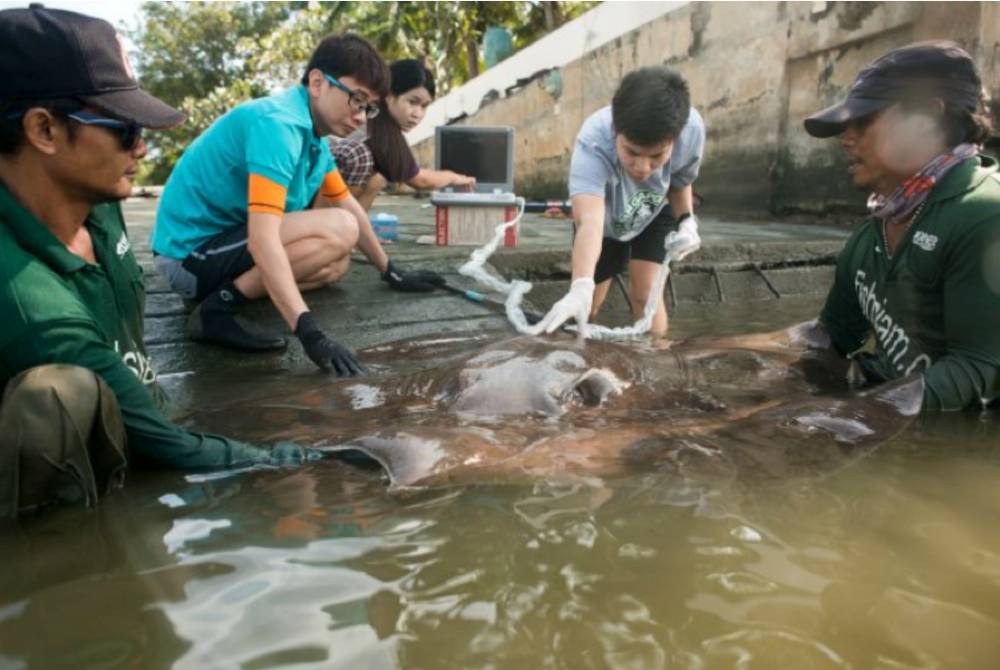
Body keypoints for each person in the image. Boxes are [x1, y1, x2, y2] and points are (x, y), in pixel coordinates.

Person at [0, 6, 310, 518]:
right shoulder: (23, 293)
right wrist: (293, 459)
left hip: (138, 409)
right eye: (124, 128)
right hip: (99, 431)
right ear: (44, 130)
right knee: (54, 398)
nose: (143, 146)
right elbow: (164, 444)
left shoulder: (98, 203)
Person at [152, 38, 446, 375]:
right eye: (357, 99)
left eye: (369, 107)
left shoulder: (315, 138)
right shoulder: (279, 124)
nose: (361, 116)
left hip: (221, 248)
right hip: (188, 256)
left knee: (334, 266)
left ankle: (222, 295)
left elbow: (346, 201)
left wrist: (390, 270)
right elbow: (264, 240)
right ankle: (216, 311)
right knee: (340, 230)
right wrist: (310, 332)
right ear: (318, 83)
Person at [801, 40, 1000, 411]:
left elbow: (978, 370)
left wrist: (839, 415)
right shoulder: (873, 230)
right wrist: (715, 361)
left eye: (863, 121)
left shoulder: (985, 216)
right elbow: (831, 335)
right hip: (893, 409)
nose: (845, 138)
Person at [530, 66, 705, 337]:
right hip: (606, 219)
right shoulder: (593, 142)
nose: (643, 167)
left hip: (655, 209)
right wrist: (580, 286)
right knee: (588, 305)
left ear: (676, 137)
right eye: (632, 152)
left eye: (657, 156)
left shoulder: (691, 130)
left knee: (646, 297)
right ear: (615, 130)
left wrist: (686, 222)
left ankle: (660, 365)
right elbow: (589, 222)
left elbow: (680, 180)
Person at [331, 58, 476, 210]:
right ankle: (336, 225)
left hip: (326, 186)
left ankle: (355, 228)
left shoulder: (379, 118)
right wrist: (454, 177)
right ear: (389, 96)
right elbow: (420, 181)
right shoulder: (379, 126)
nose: (417, 114)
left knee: (377, 178)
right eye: (412, 102)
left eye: (424, 106)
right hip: (315, 190)